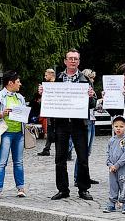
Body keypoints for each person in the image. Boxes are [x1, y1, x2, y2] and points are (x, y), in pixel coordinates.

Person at [39, 49, 96, 200]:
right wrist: (44, 93)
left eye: (75, 59)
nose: (72, 61)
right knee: (60, 158)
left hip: (79, 123)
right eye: (70, 58)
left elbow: (92, 104)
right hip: (61, 124)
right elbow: (49, 101)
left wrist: (91, 97)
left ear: (79, 61)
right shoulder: (57, 79)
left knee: (82, 158)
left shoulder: (85, 80)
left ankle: (83, 189)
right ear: (65, 61)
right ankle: (63, 189)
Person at [0, 71, 27, 200]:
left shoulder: (20, 98)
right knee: (1, 162)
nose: (20, 84)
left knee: (18, 162)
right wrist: (1, 114)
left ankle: (21, 189)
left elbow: (23, 114)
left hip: (19, 133)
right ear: (10, 83)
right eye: (18, 82)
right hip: (5, 134)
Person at [74, 69, 99, 186]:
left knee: (87, 151)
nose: (92, 80)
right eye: (91, 77)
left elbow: (94, 102)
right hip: (86, 119)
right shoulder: (83, 86)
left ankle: (85, 175)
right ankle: (78, 177)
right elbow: (90, 103)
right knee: (82, 151)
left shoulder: (90, 87)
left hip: (91, 119)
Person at [104, 116, 125, 214]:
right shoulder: (111, 140)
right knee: (113, 186)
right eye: (116, 126)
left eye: (121, 126)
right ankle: (112, 204)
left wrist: (117, 165)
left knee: (124, 185)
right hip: (112, 168)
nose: (118, 128)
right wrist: (109, 164)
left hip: (124, 167)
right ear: (113, 127)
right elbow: (108, 153)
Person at [37, 68, 57, 156]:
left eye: (46, 75)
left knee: (54, 130)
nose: (45, 77)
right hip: (49, 110)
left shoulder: (55, 85)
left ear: (51, 75)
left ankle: (65, 150)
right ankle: (47, 148)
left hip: (55, 111)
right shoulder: (47, 85)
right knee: (50, 129)